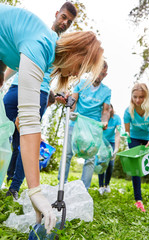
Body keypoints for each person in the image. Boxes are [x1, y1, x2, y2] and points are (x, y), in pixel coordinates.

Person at [0, 3, 104, 233]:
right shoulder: (43, 45)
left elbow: (4, 44)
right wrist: (35, 192)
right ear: (75, 53)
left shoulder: (44, 50)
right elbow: (29, 122)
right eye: (81, 67)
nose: (77, 74)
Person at [4, 1, 77, 198]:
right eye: (63, 17)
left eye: (69, 22)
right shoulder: (44, 37)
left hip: (35, 92)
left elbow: (43, 77)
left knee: (21, 140)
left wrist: (56, 96)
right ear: (56, 14)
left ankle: (12, 185)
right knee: (23, 139)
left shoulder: (57, 47)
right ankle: (13, 183)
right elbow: (21, 63)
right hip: (24, 87)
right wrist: (4, 78)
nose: (65, 23)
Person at [58, 61, 111, 190]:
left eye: (102, 74)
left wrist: (105, 122)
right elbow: (74, 102)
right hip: (76, 123)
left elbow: (105, 111)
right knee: (67, 154)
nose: (99, 76)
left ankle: (84, 188)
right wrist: (70, 112)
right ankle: (61, 185)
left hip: (92, 127)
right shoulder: (81, 84)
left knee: (90, 159)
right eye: (97, 72)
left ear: (105, 75)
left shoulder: (106, 91)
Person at [124, 83, 149, 212]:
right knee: (136, 169)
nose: (138, 100)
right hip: (134, 137)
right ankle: (138, 200)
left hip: (148, 137)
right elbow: (127, 132)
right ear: (131, 96)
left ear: (146, 96)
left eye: (141, 97)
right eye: (135, 97)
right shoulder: (128, 111)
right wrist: (128, 144)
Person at [98, 104, 121, 195]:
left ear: (112, 108)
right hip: (101, 142)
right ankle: (100, 186)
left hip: (111, 142)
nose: (108, 110)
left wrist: (116, 148)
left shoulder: (117, 118)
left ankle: (106, 185)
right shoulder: (100, 117)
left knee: (110, 164)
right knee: (102, 163)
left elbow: (118, 134)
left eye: (109, 108)